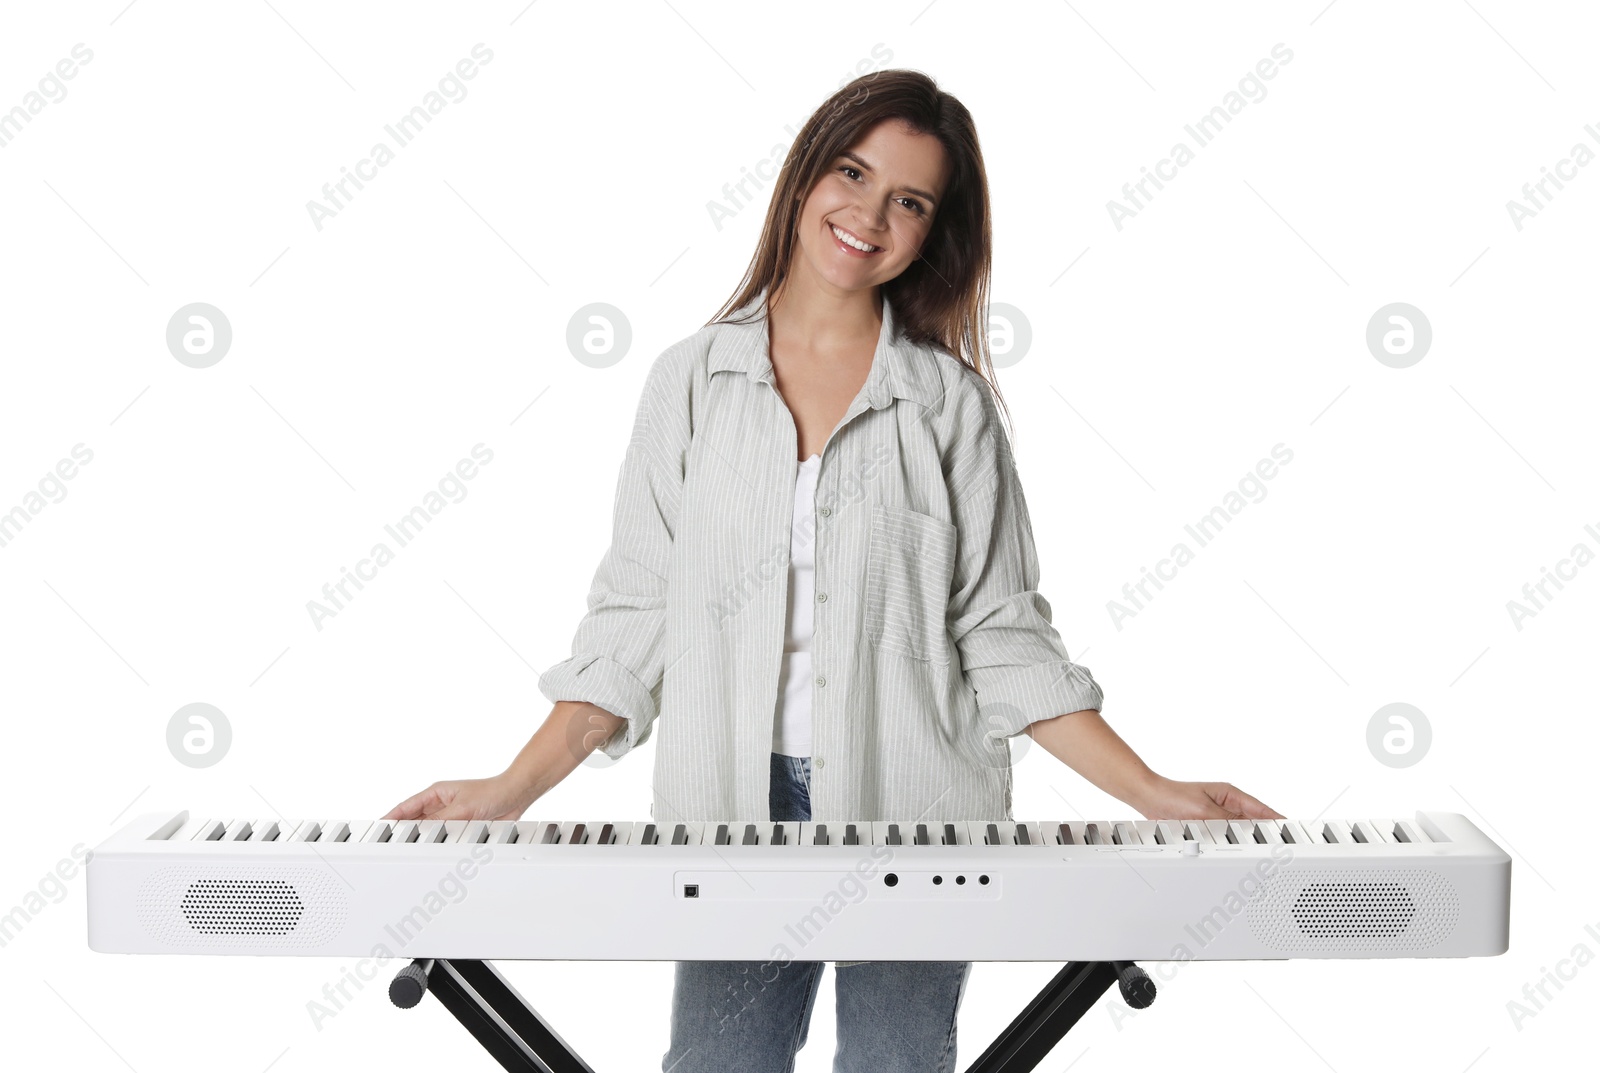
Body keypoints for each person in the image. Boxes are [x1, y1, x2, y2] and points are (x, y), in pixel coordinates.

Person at [385, 69, 1282, 1073]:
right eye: (852, 173)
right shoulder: (690, 381)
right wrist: (511, 786)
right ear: (805, 175)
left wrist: (1151, 789)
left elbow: (1001, 633)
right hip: (729, 806)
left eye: (909, 200)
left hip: (922, 807)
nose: (869, 214)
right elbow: (636, 618)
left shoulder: (948, 405)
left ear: (931, 231)